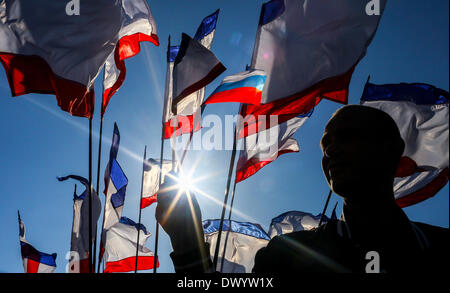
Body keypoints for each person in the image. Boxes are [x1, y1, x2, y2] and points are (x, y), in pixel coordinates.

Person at [156, 105, 449, 273]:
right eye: (326, 145)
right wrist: (188, 245)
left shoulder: (440, 247)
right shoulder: (287, 254)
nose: (332, 149)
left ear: (392, 150)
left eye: (347, 137)